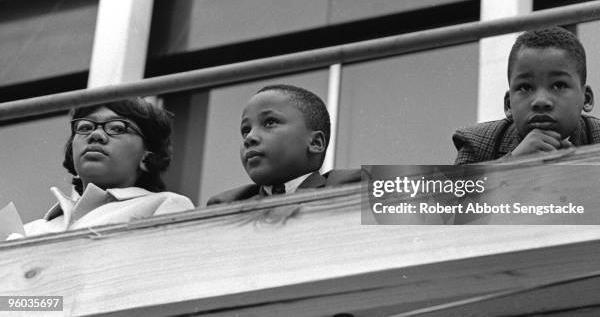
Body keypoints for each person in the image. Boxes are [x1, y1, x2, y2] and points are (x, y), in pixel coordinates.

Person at [18, 98, 194, 237]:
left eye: (117, 128)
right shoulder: (28, 230)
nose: (96, 135)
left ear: (147, 155)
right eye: (85, 127)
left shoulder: (164, 205)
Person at [453, 26, 600, 165]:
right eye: (525, 87)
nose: (541, 101)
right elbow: (449, 198)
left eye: (559, 85)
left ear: (587, 99)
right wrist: (512, 165)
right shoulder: (477, 143)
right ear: (509, 105)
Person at [207, 84, 361, 205]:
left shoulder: (357, 184)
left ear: (315, 142)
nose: (250, 137)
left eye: (270, 122)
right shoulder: (226, 205)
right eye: (245, 130)